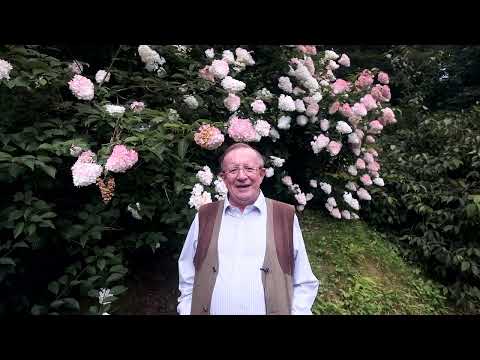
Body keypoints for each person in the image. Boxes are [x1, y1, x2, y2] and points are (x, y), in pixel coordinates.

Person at [177, 143, 319, 315]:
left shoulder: (284, 216)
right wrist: (186, 309)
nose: (241, 176)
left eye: (249, 168)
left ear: (261, 174)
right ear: (223, 177)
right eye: (233, 170)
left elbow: (304, 281)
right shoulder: (205, 216)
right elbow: (187, 274)